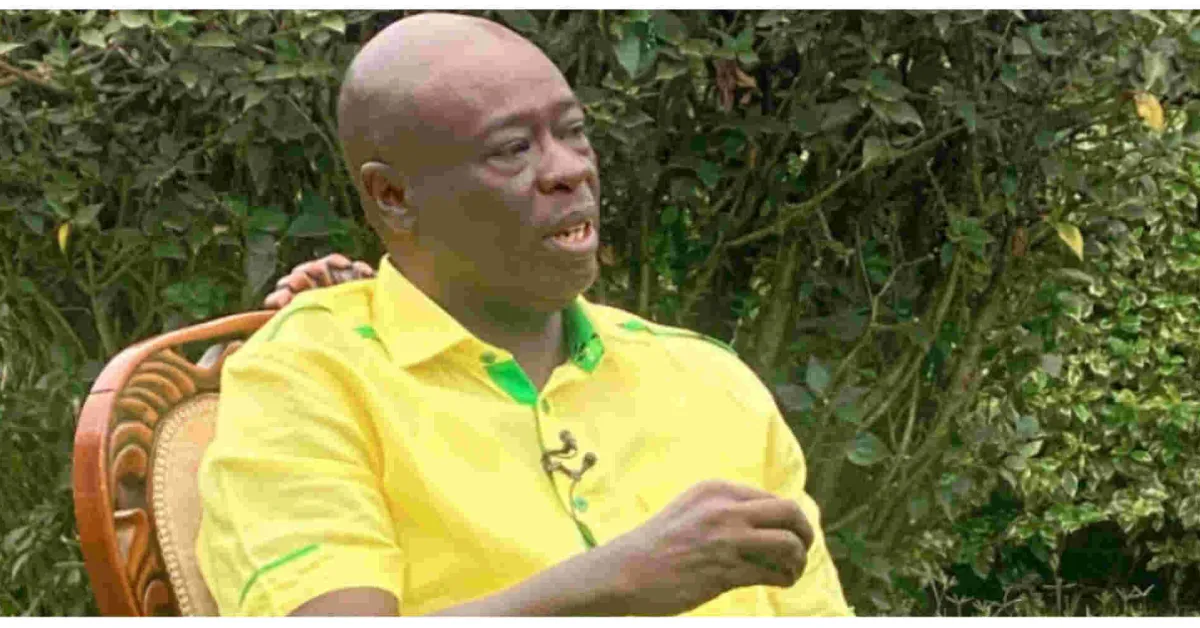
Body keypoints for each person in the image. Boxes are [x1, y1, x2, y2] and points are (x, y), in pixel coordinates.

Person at [196, 12, 850, 617]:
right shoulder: (310, 375)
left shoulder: (712, 383)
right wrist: (616, 582)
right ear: (392, 195)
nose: (569, 170)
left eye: (573, 132)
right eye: (512, 148)